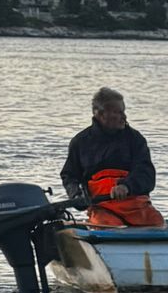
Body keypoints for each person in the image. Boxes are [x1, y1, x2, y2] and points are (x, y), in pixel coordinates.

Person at [61, 87, 162, 226]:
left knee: (157, 223)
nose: (124, 117)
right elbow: (69, 176)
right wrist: (77, 195)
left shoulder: (135, 139)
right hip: (102, 208)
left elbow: (146, 174)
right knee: (108, 225)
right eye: (118, 112)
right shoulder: (80, 142)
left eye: (124, 112)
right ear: (101, 114)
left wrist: (126, 186)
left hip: (137, 207)